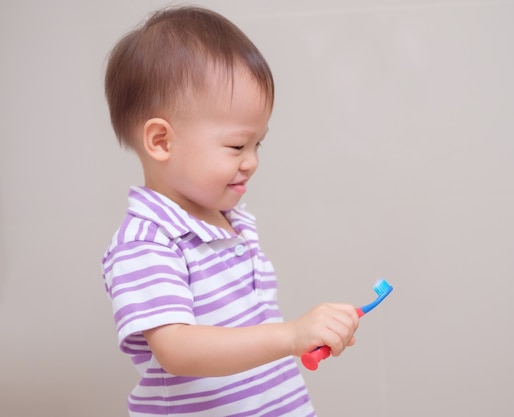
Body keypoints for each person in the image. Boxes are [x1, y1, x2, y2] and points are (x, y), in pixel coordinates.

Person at [101, 5, 360, 417]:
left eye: (259, 144)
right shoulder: (146, 242)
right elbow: (178, 349)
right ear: (161, 142)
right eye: (237, 146)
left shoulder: (232, 223)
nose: (252, 161)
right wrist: (290, 334)